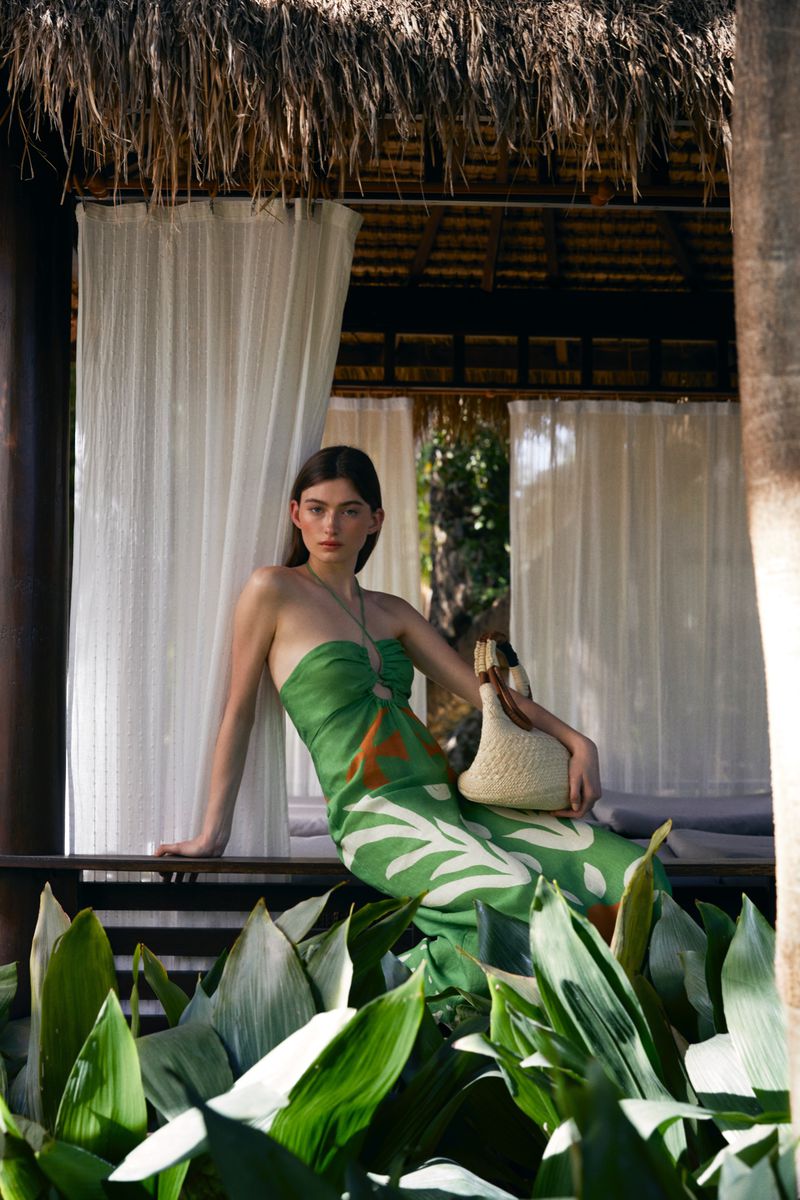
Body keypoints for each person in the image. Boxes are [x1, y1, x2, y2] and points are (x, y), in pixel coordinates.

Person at [157, 445, 668, 996]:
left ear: (375, 520)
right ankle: (390, 996)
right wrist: (213, 833)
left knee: (631, 872)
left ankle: (618, 1013)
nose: (331, 525)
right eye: (317, 509)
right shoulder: (272, 590)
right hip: (375, 812)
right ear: (295, 513)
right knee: (517, 895)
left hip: (451, 799)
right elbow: (238, 713)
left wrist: (578, 740)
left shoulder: (393, 611)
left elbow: (487, 696)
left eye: (350, 510)